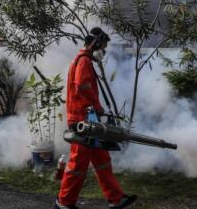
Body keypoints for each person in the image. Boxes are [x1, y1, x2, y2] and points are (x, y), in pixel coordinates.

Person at [55, 27, 137, 209]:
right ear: (96, 44)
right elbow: (82, 86)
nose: (104, 52)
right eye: (103, 47)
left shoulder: (83, 61)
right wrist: (98, 107)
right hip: (82, 122)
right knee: (77, 165)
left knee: (102, 160)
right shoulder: (83, 61)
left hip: (87, 119)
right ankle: (64, 203)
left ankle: (116, 199)